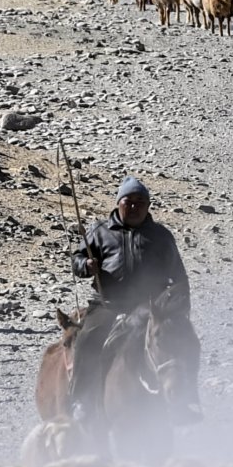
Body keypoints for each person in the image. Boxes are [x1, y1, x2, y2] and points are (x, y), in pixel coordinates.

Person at [68, 176, 200, 424]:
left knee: (187, 344)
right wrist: (86, 264)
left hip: (151, 308)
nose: (134, 206)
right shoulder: (100, 232)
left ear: (148, 206)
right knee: (87, 339)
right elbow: (76, 259)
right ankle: (81, 401)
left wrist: (181, 311)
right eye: (129, 201)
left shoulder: (161, 236)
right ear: (118, 203)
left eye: (141, 202)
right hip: (109, 304)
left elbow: (179, 276)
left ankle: (186, 401)